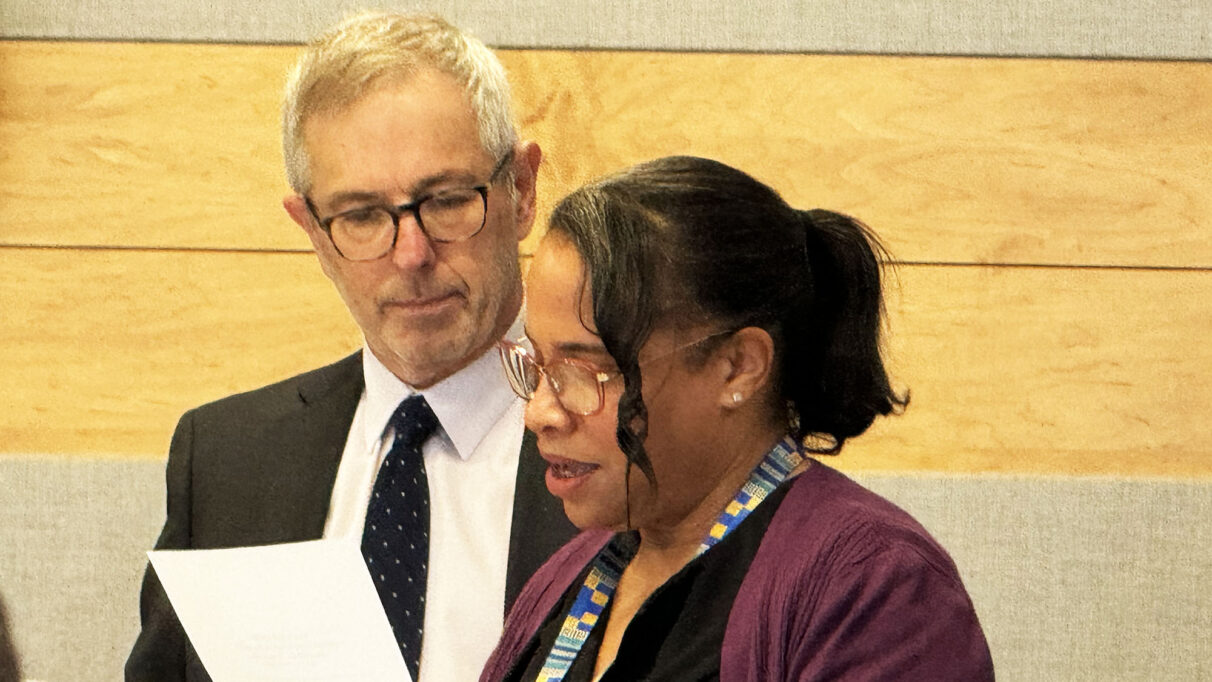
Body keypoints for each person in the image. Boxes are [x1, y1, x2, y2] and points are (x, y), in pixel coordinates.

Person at [126, 11, 576, 682]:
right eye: (363, 216)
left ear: (521, 189)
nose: (412, 253)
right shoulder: (226, 461)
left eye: (447, 200)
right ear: (312, 229)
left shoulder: (619, 445)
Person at [481, 156, 994, 681]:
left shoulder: (876, 586)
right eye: (538, 365)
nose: (539, 412)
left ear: (738, 368)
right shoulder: (570, 573)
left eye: (589, 370)